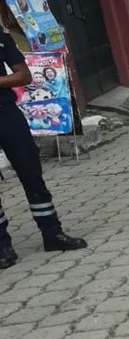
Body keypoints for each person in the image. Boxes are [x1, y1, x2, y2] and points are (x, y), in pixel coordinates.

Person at [0, 14, 87, 269]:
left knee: (31, 173)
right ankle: (3, 247)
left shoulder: (2, 39)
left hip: (7, 115)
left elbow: (23, 76)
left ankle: (52, 233)